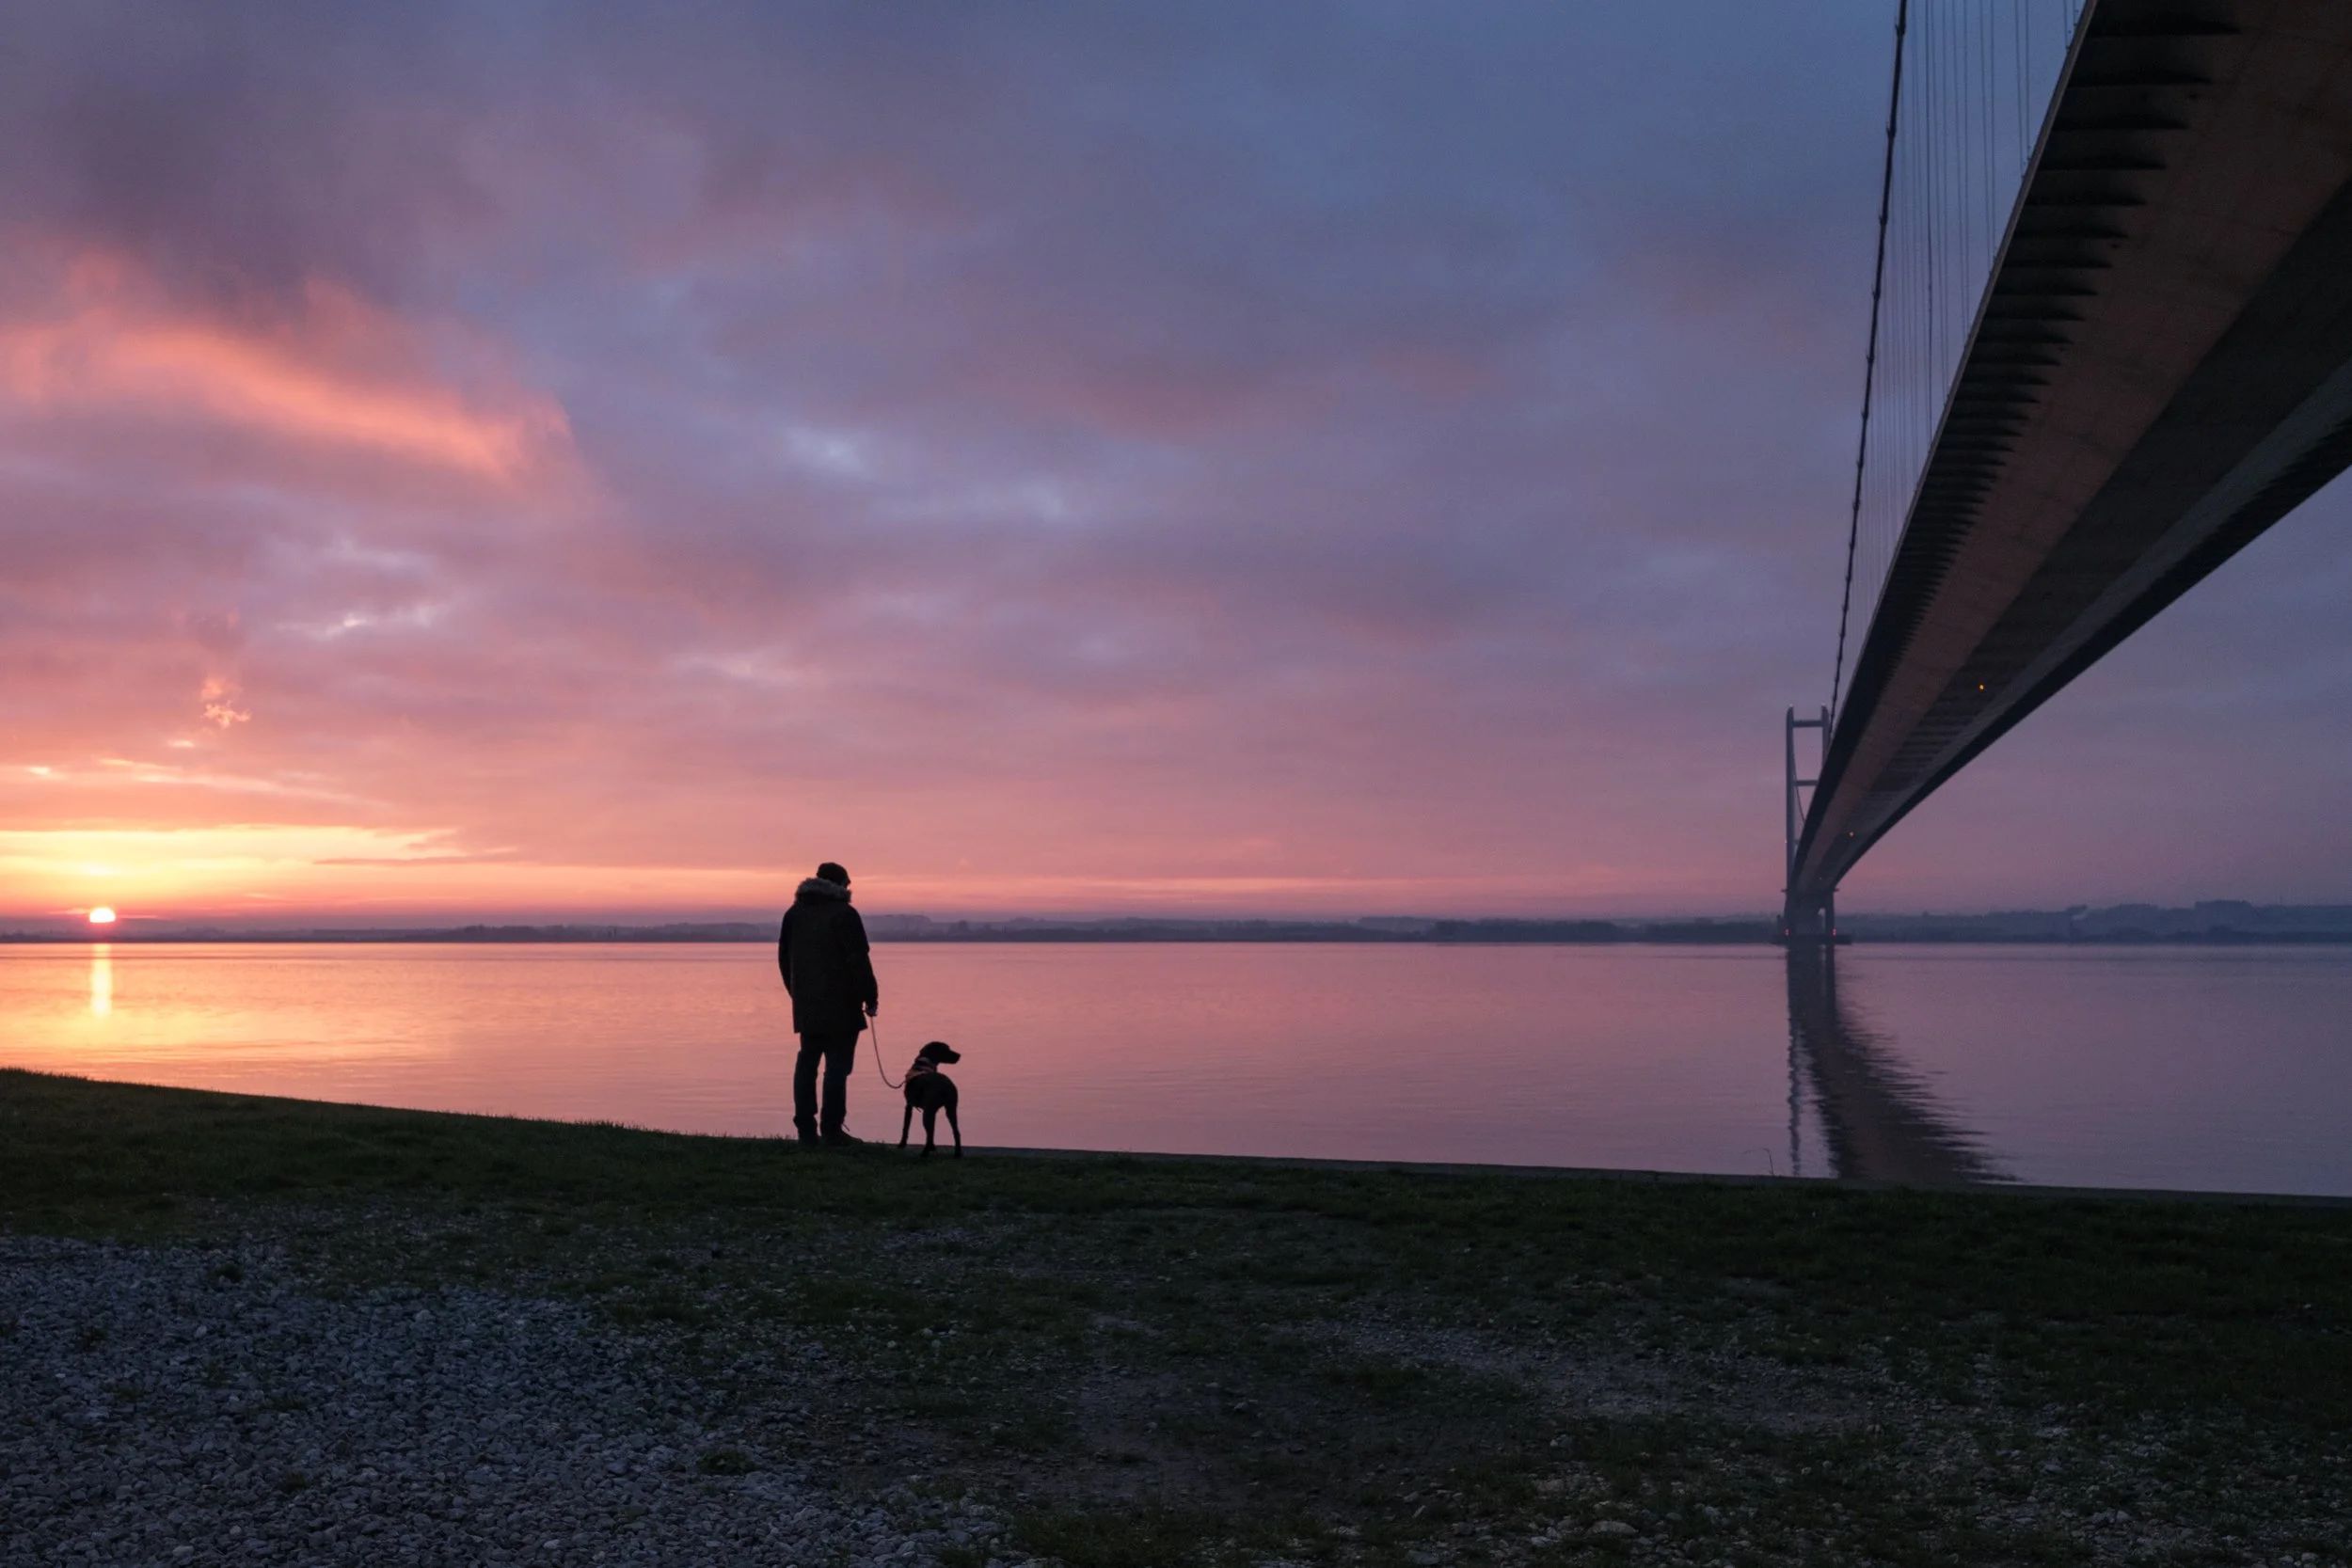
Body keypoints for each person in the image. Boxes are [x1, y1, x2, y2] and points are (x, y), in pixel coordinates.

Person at [777, 861, 879, 1145]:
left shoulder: (793, 914)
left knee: (807, 1065)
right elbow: (858, 960)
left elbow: (784, 961)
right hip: (842, 1006)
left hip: (807, 1006)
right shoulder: (845, 914)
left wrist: (797, 993)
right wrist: (870, 997)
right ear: (840, 885)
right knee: (837, 1068)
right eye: (847, 885)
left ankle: (806, 1130)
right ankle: (832, 1130)